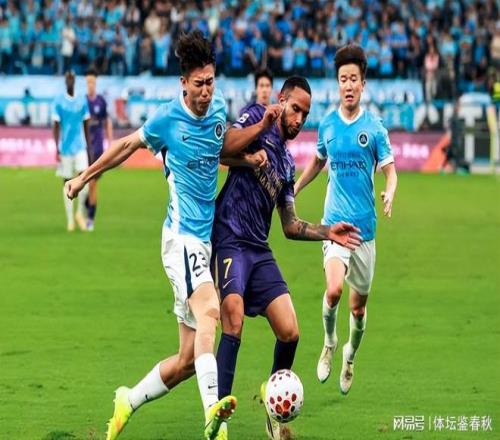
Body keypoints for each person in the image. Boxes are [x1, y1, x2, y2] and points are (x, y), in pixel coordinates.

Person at [65, 30, 259, 440]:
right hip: (181, 240)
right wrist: (83, 177)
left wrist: (246, 158)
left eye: (211, 82)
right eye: (199, 84)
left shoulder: (218, 108)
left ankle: (128, 400)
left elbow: (217, 149)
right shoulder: (166, 120)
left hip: (204, 241)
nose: (206, 91)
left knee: (187, 359)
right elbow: (125, 146)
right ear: (183, 83)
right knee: (211, 310)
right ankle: (214, 418)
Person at [213, 76, 362, 440]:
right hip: (230, 236)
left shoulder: (286, 164)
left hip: (258, 248)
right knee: (233, 318)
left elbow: (290, 225)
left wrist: (328, 231)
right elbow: (222, 148)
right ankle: (217, 419)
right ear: (281, 101)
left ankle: (273, 412)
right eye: (295, 109)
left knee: (290, 331)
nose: (298, 120)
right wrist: (257, 138)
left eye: (305, 115)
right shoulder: (255, 116)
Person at [294, 44, 398, 396]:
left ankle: (350, 357)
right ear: (337, 83)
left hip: (364, 231)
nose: (348, 85)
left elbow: (390, 171)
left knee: (358, 308)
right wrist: (296, 187)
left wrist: (390, 192)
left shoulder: (375, 128)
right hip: (335, 225)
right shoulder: (328, 124)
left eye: (354, 79)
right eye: (343, 79)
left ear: (363, 84)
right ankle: (329, 343)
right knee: (334, 290)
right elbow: (318, 161)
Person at [52, 70, 91, 232]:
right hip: (66, 148)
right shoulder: (59, 101)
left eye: (71, 78)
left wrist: (89, 147)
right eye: (67, 78)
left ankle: (79, 213)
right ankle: (70, 220)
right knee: (67, 182)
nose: (69, 81)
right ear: (65, 81)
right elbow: (55, 125)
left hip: (80, 146)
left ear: (74, 80)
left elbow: (86, 124)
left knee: (84, 180)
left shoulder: (82, 100)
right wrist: (57, 148)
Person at [85, 68, 113, 231]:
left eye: (93, 82)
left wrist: (110, 141)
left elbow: (107, 121)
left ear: (95, 83)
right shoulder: (82, 102)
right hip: (84, 148)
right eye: (88, 82)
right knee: (84, 183)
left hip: (97, 149)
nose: (90, 85)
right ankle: (86, 206)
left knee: (93, 183)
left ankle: (90, 218)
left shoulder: (101, 102)